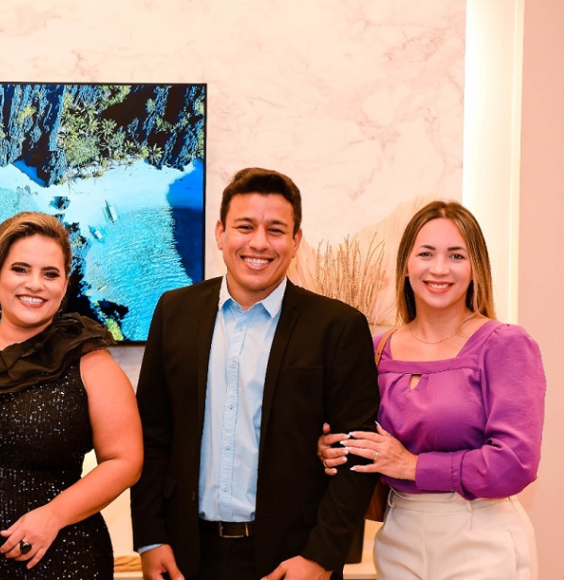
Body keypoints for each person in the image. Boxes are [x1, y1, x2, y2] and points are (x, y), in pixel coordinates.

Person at [130, 167, 380, 580]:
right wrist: (151, 539)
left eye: (276, 230)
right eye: (245, 227)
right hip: (186, 555)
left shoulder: (338, 327)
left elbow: (356, 453)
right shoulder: (174, 312)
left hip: (292, 560)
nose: (259, 243)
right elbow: (152, 434)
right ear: (220, 233)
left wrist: (320, 558)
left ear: (296, 240)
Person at [318, 200, 544, 579]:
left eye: (456, 255)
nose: (439, 268)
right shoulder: (376, 349)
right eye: (426, 254)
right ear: (406, 264)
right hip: (398, 535)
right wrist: (333, 450)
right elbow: (363, 440)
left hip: (482, 536)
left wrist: (412, 465)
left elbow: (515, 463)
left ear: (475, 267)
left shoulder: (504, 344)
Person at [0, 211, 143, 580]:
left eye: (50, 274)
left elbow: (125, 460)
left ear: (65, 283)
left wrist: (54, 516)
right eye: (20, 269)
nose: (35, 285)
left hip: (62, 560)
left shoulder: (91, 362)